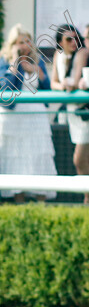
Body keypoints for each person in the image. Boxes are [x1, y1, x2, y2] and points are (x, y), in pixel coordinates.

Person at [0, 24, 56, 202]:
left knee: (38, 156)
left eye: (28, 41)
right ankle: (19, 202)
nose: (25, 45)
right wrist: (15, 62)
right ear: (13, 44)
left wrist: (36, 71)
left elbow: (47, 89)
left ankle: (41, 202)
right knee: (15, 158)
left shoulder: (38, 61)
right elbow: (6, 88)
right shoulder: (5, 61)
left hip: (36, 117)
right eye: (20, 42)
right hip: (13, 119)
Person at [66, 24, 89, 201]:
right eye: (86, 38)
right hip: (82, 114)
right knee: (81, 160)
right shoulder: (79, 55)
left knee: (79, 159)